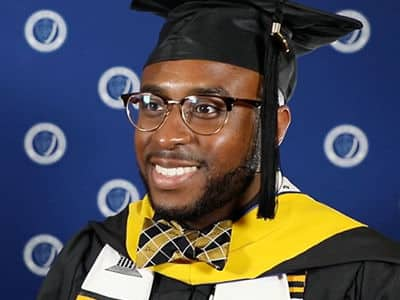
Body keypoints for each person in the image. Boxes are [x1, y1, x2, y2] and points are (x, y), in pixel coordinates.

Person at [37, 0, 400, 299]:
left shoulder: (361, 273)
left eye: (206, 109)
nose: (166, 137)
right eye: (152, 104)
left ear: (273, 126)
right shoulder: (93, 253)